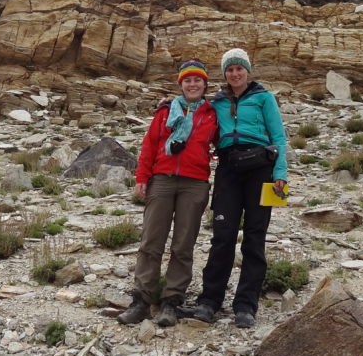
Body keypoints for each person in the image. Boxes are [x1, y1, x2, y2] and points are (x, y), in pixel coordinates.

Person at [118, 59, 218, 327]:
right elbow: (149, 145)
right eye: (187, 80)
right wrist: (142, 178)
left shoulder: (212, 113)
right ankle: (141, 299)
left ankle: (171, 301)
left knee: (183, 245)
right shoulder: (165, 112)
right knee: (151, 241)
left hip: (195, 183)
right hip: (161, 180)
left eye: (198, 80)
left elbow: (223, 144)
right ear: (181, 84)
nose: (193, 84)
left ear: (205, 84)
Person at [193, 48, 287, 329]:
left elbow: (279, 136)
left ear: (248, 70)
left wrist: (281, 174)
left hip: (261, 168)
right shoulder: (217, 101)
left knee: (255, 237)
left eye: (239, 68)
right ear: (224, 74)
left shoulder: (264, 97)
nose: (235, 74)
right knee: (223, 235)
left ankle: (246, 305)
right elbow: (193, 110)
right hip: (228, 169)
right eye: (230, 69)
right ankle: (209, 301)